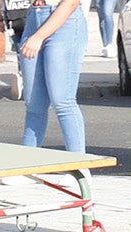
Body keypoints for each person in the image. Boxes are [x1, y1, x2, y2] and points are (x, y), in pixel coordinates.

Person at [18, 0, 87, 153]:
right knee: (34, 104)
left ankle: (79, 168)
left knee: (62, 101)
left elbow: (71, 3)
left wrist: (39, 36)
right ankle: (28, 165)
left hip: (65, 21)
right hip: (34, 17)